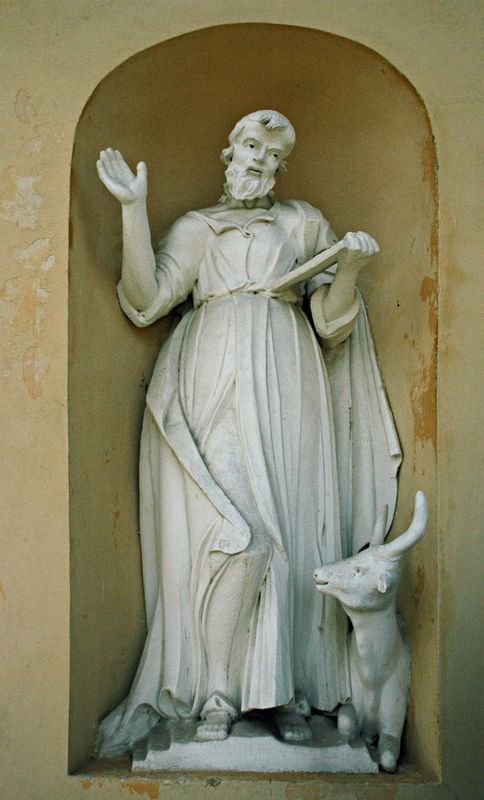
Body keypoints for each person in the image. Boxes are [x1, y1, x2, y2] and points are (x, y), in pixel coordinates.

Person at [96, 110, 401, 755]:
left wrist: (349, 268)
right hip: (213, 372)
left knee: (294, 524)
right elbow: (146, 301)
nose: (261, 160)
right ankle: (217, 688)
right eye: (252, 147)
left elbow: (330, 322)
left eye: (274, 154)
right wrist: (132, 209)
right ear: (230, 153)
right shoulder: (197, 227)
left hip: (290, 378)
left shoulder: (302, 223)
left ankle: (287, 690)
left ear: (281, 168)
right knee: (234, 532)